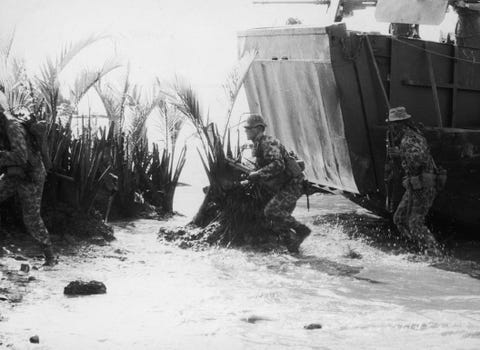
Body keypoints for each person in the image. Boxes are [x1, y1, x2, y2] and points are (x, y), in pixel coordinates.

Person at [243, 113, 310, 253]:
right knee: (274, 220)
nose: (246, 130)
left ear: (258, 129)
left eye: (248, 128)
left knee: (272, 211)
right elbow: (262, 167)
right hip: (284, 185)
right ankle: (292, 245)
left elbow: (278, 165)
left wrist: (258, 174)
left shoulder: (268, 142)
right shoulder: (257, 144)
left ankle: (301, 230)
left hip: (293, 184)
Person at [0, 98, 55, 265]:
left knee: (31, 218)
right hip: (15, 174)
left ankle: (50, 257)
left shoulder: (12, 127)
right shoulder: (4, 126)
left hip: (31, 176)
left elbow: (21, 157)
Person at [386, 107, 441, 254]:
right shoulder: (406, 138)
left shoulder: (411, 138)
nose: (392, 128)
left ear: (402, 124)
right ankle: (418, 247)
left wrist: (401, 152)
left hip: (424, 186)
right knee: (399, 218)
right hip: (414, 186)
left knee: (415, 222)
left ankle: (434, 253)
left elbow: (419, 158)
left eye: (394, 125)